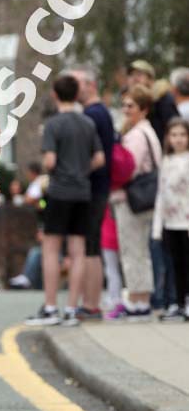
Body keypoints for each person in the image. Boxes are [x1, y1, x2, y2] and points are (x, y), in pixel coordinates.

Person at [25, 75, 105, 327]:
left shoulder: (53, 124)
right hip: (83, 192)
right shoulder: (87, 123)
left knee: (51, 249)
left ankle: (50, 307)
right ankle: (71, 309)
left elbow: (49, 161)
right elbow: (100, 158)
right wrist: (81, 169)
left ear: (55, 95)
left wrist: (60, 170)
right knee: (78, 251)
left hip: (59, 191)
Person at [110, 85, 162, 321]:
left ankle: (139, 302)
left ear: (144, 108)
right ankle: (141, 299)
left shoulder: (137, 135)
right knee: (140, 250)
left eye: (131, 105)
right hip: (144, 199)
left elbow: (128, 169)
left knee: (133, 251)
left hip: (131, 200)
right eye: (124, 105)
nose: (125, 110)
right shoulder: (146, 131)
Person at [71, 66, 115, 320]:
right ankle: (92, 302)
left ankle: (90, 303)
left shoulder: (92, 115)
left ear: (91, 85)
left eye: (77, 83)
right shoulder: (100, 113)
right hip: (98, 188)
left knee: (90, 246)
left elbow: (96, 156)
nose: (74, 89)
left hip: (91, 189)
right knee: (92, 245)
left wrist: (75, 172)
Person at [152, 118, 189, 322]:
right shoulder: (166, 161)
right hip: (170, 221)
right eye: (174, 135)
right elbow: (161, 193)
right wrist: (157, 227)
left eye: (183, 135)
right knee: (176, 264)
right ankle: (179, 303)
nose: (179, 139)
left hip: (186, 221)